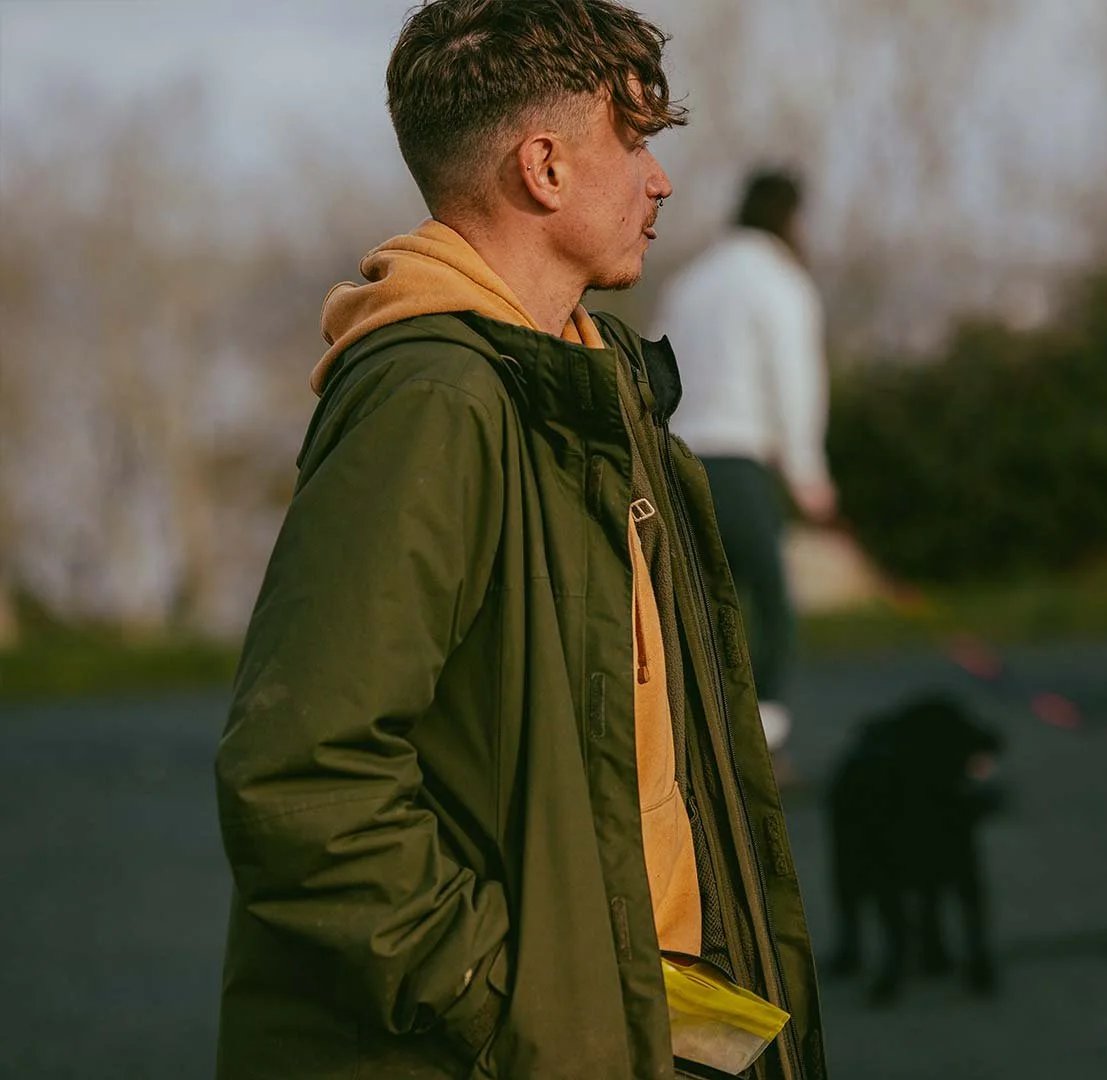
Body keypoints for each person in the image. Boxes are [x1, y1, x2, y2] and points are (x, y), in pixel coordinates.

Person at [212, 3, 825, 1078]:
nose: (661, 181)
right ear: (544, 167)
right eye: (633, 143)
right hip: (535, 1039)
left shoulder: (594, 388)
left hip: (665, 1016)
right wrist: (512, 1005)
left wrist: (702, 1024)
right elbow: (305, 779)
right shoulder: (432, 402)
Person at [654, 171, 836, 760]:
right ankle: (762, 747)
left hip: (678, 457)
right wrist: (808, 474)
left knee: (700, 607)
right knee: (772, 604)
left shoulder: (691, 281)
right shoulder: (780, 282)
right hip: (740, 461)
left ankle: (699, 745)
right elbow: (794, 380)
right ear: (789, 217)